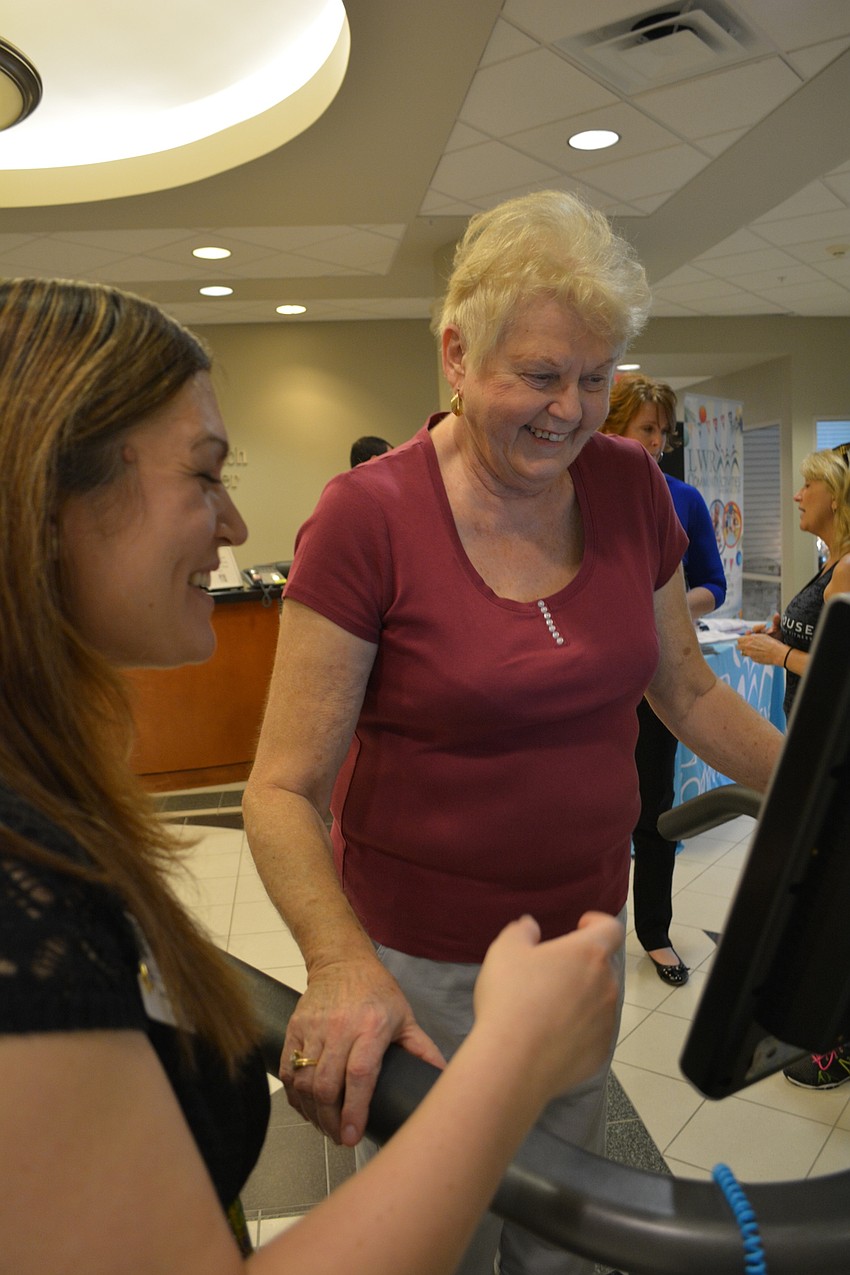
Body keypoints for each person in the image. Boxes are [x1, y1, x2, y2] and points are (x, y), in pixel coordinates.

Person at [0, 276, 628, 1274]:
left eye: (591, 381)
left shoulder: (48, 816)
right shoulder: (20, 907)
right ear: (49, 501)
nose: (236, 523)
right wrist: (509, 1061)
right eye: (204, 475)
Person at [243, 189, 783, 1275]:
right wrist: (339, 963)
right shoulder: (367, 515)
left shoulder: (634, 488)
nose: (570, 410)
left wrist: (823, 787)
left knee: (558, 1224)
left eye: (597, 380)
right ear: (455, 350)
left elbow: (690, 693)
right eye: (539, 376)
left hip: (581, 943)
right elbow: (282, 787)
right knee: (434, 1235)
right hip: (419, 957)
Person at [601, 374, 726, 987]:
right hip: (589, 685)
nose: (656, 441)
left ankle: (653, 930)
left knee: (654, 809)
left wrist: (666, 608)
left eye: (662, 431)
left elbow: (714, 585)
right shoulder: (574, 492)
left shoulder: (683, 499)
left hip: (657, 679)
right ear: (610, 427)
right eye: (645, 429)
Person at [737, 443, 850, 1091]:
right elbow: (826, 642)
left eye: (808, 486)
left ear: (834, 495)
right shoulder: (828, 563)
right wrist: (785, 637)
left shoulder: (847, 568)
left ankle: (834, 1047)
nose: (798, 496)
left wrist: (776, 656)